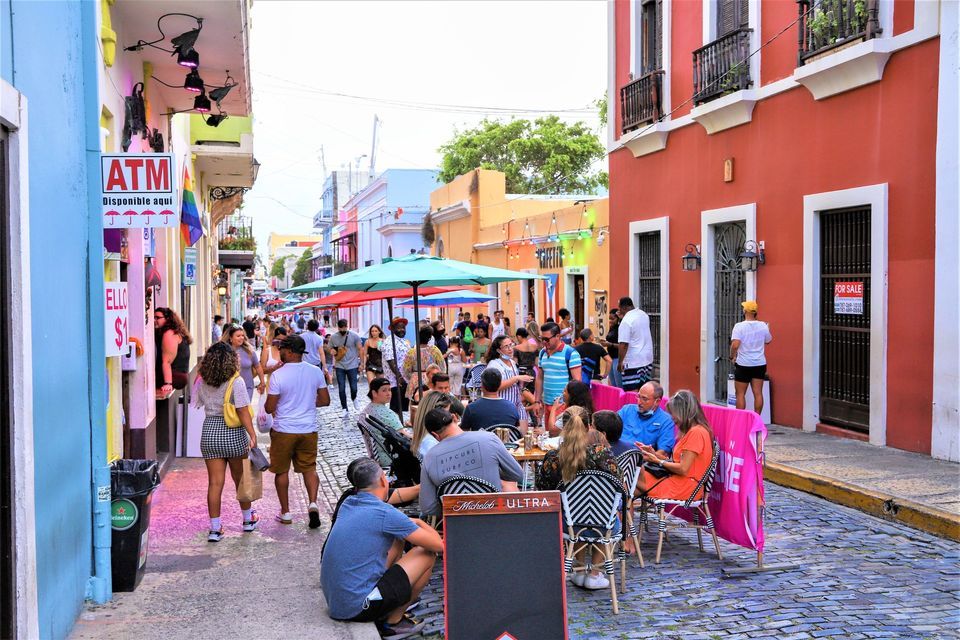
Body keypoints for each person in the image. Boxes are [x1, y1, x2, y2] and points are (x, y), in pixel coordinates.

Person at [320, 457, 442, 638]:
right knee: (426, 554)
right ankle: (393, 621)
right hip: (358, 607)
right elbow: (438, 545)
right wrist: (418, 522)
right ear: (383, 481)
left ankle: (392, 602)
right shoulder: (385, 513)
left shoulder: (349, 502)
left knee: (397, 539)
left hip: (338, 603)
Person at [535, 407, 620, 590]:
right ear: (588, 427)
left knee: (573, 509)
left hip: (568, 525)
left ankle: (580, 570)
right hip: (603, 525)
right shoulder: (602, 453)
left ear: (563, 428)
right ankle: (595, 573)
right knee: (603, 507)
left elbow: (543, 491)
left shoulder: (553, 457)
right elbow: (618, 485)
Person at [193, 342, 259, 541]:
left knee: (214, 483)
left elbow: (198, 402)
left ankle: (215, 529)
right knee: (241, 479)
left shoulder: (203, 381)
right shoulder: (236, 381)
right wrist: (252, 434)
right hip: (233, 433)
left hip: (210, 432)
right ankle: (247, 520)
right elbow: (242, 410)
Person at [263, 334, 328, 528]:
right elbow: (325, 400)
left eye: (282, 349)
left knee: (281, 471)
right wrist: (308, 403)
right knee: (309, 468)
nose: (280, 352)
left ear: (290, 351)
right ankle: (313, 503)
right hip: (308, 429)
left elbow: (269, 407)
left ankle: (285, 512)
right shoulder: (315, 371)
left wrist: (280, 404)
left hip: (284, 430)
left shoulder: (279, 374)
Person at [419, 408, 523, 517]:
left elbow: (428, 507)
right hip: (494, 517)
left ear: (435, 435)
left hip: (456, 522)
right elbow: (518, 475)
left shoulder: (429, 457)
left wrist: (452, 508)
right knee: (509, 486)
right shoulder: (488, 438)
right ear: (455, 418)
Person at [636, 390, 715, 501]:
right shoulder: (693, 431)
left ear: (684, 412)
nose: (672, 418)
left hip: (684, 486)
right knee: (628, 485)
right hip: (679, 481)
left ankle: (620, 509)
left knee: (629, 477)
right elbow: (677, 463)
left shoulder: (696, 433)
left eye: (673, 414)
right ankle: (622, 509)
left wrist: (658, 461)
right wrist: (655, 455)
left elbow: (683, 469)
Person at [730, 300, 772, 415]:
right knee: (758, 393)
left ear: (745, 311)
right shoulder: (763, 325)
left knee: (740, 394)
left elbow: (735, 345)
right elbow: (768, 340)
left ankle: (740, 420)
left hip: (743, 364)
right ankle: (756, 419)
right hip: (759, 364)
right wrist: (767, 329)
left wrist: (732, 356)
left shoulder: (739, 326)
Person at [483, 335, 532, 430]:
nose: (510, 349)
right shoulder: (494, 365)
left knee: (523, 433)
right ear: (498, 350)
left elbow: (516, 385)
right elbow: (495, 386)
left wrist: (522, 382)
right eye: (506, 346)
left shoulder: (512, 363)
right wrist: (516, 378)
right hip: (502, 406)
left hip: (517, 403)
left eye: (511, 345)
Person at [535, 321, 583, 418]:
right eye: (542, 338)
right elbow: (540, 378)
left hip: (563, 406)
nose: (544, 342)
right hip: (547, 403)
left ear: (557, 336)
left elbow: (577, 382)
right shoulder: (542, 353)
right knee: (549, 428)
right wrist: (537, 401)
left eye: (546, 339)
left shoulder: (570, 353)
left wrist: (569, 406)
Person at [617, 381, 675, 459]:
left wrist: (636, 459)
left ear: (657, 402)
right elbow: (608, 431)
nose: (639, 402)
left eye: (644, 399)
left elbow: (662, 454)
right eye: (638, 397)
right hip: (616, 455)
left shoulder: (666, 421)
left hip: (640, 461)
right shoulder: (627, 410)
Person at [460, 368, 521, 432]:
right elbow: (517, 430)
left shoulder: (471, 408)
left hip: (481, 438)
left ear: (482, 385)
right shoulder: (512, 407)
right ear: (499, 384)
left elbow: (464, 432)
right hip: (505, 438)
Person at [410, 391, 463, 459]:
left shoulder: (425, 438)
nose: (450, 416)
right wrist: (454, 429)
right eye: (447, 413)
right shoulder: (431, 443)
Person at [617, 296, 654, 391]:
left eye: (619, 308)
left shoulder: (626, 321)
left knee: (632, 391)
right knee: (644, 390)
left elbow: (623, 344)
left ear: (624, 308)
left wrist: (620, 362)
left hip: (633, 362)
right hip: (647, 359)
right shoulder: (643, 315)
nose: (619, 311)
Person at [329, 319, 364, 415]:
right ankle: (344, 408)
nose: (342, 330)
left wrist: (362, 363)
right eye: (341, 328)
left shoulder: (354, 336)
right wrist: (332, 351)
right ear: (338, 327)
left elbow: (360, 349)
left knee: (354, 387)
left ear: (347, 326)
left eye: (344, 328)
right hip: (339, 365)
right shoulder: (333, 337)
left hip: (352, 365)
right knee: (341, 388)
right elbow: (330, 348)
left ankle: (354, 398)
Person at [402, 325, 445, 403]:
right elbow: (442, 367)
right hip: (431, 379)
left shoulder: (411, 352)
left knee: (414, 404)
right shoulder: (435, 351)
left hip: (415, 380)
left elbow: (405, 370)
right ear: (430, 338)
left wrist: (412, 377)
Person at [154, 307, 192, 394]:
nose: (154, 320)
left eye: (157, 318)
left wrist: (168, 383)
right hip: (179, 375)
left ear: (167, 319)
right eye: (154, 317)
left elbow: (167, 361)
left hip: (175, 376)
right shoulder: (175, 331)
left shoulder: (169, 333)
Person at [223, 324, 265, 398]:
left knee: (245, 405)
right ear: (230, 338)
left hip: (247, 388)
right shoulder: (224, 352)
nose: (241, 338)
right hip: (229, 390)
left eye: (242, 335)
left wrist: (262, 382)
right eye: (238, 336)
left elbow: (258, 366)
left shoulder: (249, 351)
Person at [603, 309, 622, 388]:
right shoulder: (612, 328)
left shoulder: (620, 328)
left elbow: (623, 345)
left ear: (617, 318)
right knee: (613, 384)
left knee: (618, 384)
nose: (610, 321)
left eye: (612, 319)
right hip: (611, 357)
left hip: (617, 357)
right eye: (609, 319)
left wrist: (610, 344)